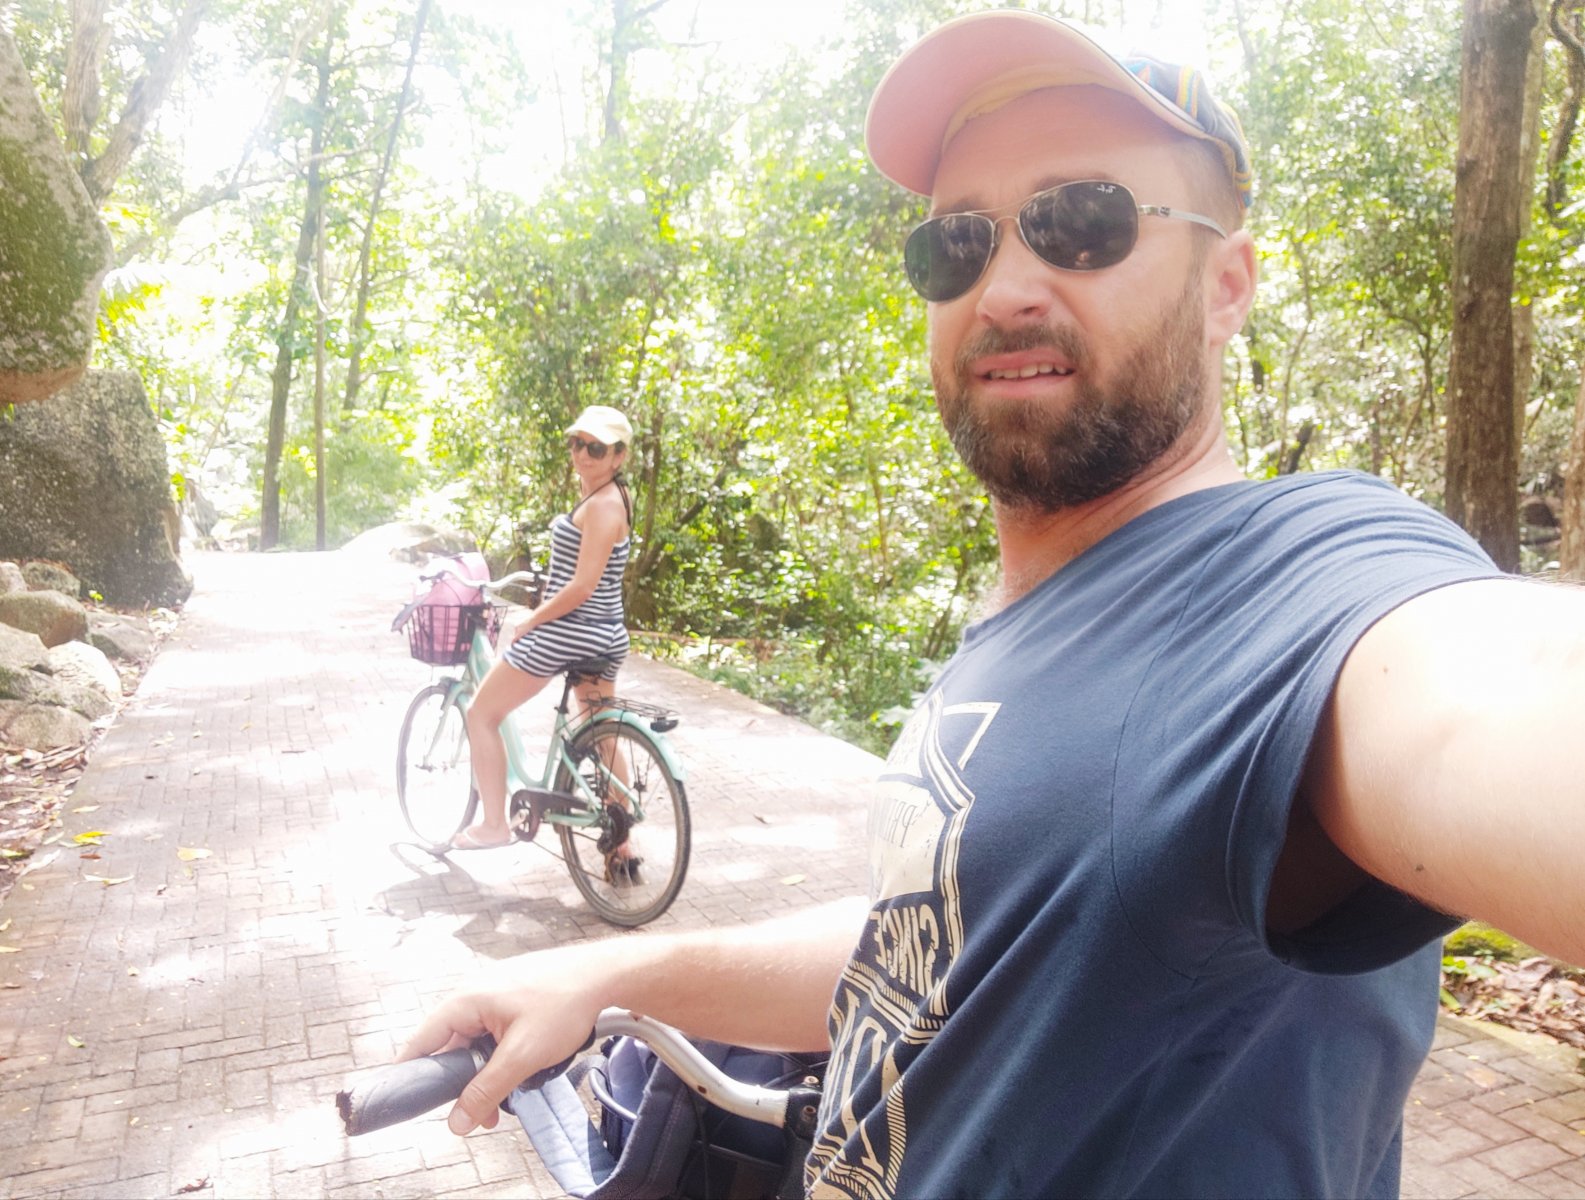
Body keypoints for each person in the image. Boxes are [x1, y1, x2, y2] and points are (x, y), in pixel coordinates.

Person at [401, 11, 1585, 1197]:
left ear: (1225, 285)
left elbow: (1492, 702)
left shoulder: (1296, 589)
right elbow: (943, 946)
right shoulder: (1036, 617)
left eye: (1085, 223)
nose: (1007, 286)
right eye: (956, 244)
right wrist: (609, 978)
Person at [451, 403, 635, 872]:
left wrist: (532, 619)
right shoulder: (608, 495)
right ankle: (622, 843)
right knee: (601, 729)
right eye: (578, 443)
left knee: (481, 714)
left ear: (619, 455)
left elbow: (582, 586)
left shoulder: (603, 506)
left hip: (571, 632)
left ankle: (494, 825)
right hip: (605, 632)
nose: (583, 454)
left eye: (596, 448)